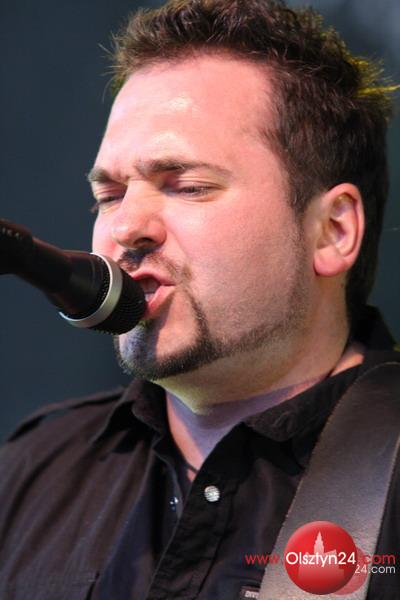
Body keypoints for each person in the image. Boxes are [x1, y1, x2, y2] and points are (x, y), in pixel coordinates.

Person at [0, 0, 399, 598]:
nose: (125, 227)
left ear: (332, 231)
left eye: (186, 186)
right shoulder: (32, 469)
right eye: (109, 195)